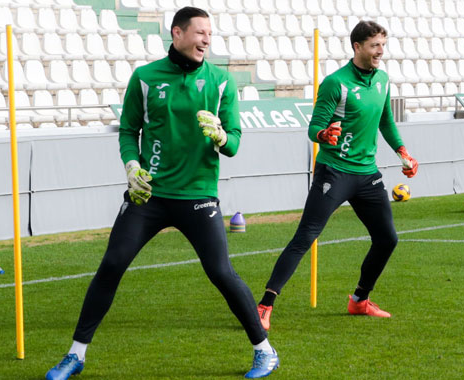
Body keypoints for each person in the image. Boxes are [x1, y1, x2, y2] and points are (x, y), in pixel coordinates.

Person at [45, 7, 278, 380]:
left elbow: (234, 141)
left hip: (198, 194)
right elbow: (128, 131)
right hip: (148, 196)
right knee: (112, 265)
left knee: (220, 271)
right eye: (200, 32)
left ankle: (264, 352)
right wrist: (132, 166)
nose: (206, 39)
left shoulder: (220, 81)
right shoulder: (145, 77)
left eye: (210, 34)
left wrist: (221, 136)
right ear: (177, 33)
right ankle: (75, 355)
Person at [256, 20, 419, 330]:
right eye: (374, 45)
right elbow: (313, 128)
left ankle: (359, 301)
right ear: (357, 47)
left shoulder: (383, 79)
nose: (380, 51)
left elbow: (386, 121)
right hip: (335, 172)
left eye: (382, 45)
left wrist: (402, 152)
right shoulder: (336, 83)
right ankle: (265, 305)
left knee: (387, 239)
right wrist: (324, 136)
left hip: (367, 175)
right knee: (305, 236)